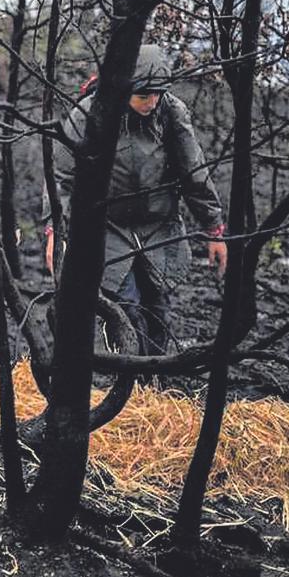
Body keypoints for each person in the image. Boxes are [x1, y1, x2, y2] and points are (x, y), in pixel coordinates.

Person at [44, 44, 228, 355]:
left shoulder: (170, 112)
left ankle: (152, 382)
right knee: (125, 307)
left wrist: (214, 229)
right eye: (144, 95)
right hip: (108, 228)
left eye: (157, 94)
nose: (151, 101)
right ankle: (129, 381)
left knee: (158, 307)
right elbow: (62, 177)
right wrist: (56, 232)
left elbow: (193, 170)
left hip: (159, 226)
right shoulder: (92, 112)